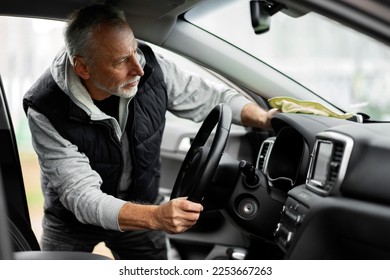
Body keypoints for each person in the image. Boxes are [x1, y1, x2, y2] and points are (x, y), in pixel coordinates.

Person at [23, 4, 278, 260]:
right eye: (122, 60)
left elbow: (208, 96)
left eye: (133, 50)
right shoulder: (45, 109)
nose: (139, 68)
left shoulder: (152, 68)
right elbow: (82, 196)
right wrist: (156, 216)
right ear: (83, 68)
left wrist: (265, 118)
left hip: (140, 203)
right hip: (71, 222)